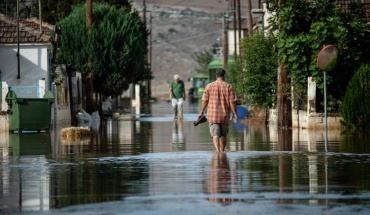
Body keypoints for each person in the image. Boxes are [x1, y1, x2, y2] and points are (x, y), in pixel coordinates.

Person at [198, 69, 237, 152]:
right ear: (224, 76)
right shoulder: (228, 86)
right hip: (224, 115)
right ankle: (222, 151)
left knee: (215, 134)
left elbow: (205, 100)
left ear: (216, 76)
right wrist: (235, 113)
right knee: (223, 135)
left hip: (213, 115)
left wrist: (201, 112)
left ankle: (217, 151)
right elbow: (232, 102)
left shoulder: (209, 86)